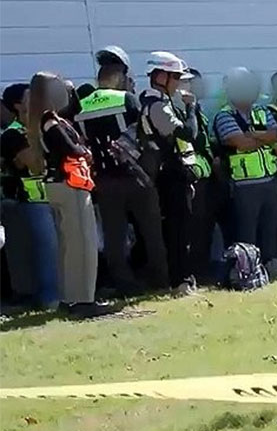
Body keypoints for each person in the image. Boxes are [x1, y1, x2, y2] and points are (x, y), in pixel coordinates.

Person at [72, 46, 169, 294]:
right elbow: (145, 134)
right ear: (122, 76)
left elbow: (82, 141)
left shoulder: (83, 104)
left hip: (104, 180)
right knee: (151, 231)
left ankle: (124, 284)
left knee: (114, 236)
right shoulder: (126, 99)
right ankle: (160, 279)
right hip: (135, 176)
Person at [32, 72, 111, 317]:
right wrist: (84, 151)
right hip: (70, 185)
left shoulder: (42, 119)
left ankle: (69, 297)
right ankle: (83, 299)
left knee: (68, 247)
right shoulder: (51, 122)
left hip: (59, 185)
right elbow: (70, 149)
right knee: (83, 245)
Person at [139, 51, 205, 294]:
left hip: (178, 173)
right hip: (170, 175)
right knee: (177, 231)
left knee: (183, 229)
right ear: (161, 77)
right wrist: (191, 108)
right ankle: (180, 281)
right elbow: (188, 133)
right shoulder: (157, 106)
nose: (179, 83)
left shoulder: (163, 103)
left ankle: (184, 278)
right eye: (176, 77)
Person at [213, 68, 277, 275]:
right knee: (247, 231)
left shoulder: (262, 111)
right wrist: (262, 137)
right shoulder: (224, 115)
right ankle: (248, 270)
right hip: (244, 184)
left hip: (269, 180)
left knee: (271, 226)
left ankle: (272, 263)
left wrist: (253, 135)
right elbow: (239, 143)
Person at [1, 81, 58, 309]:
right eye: (29, 97)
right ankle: (49, 298)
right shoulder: (13, 134)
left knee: (58, 248)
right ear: (17, 105)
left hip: (54, 194)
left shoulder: (42, 126)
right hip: (31, 200)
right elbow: (35, 165)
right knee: (46, 249)